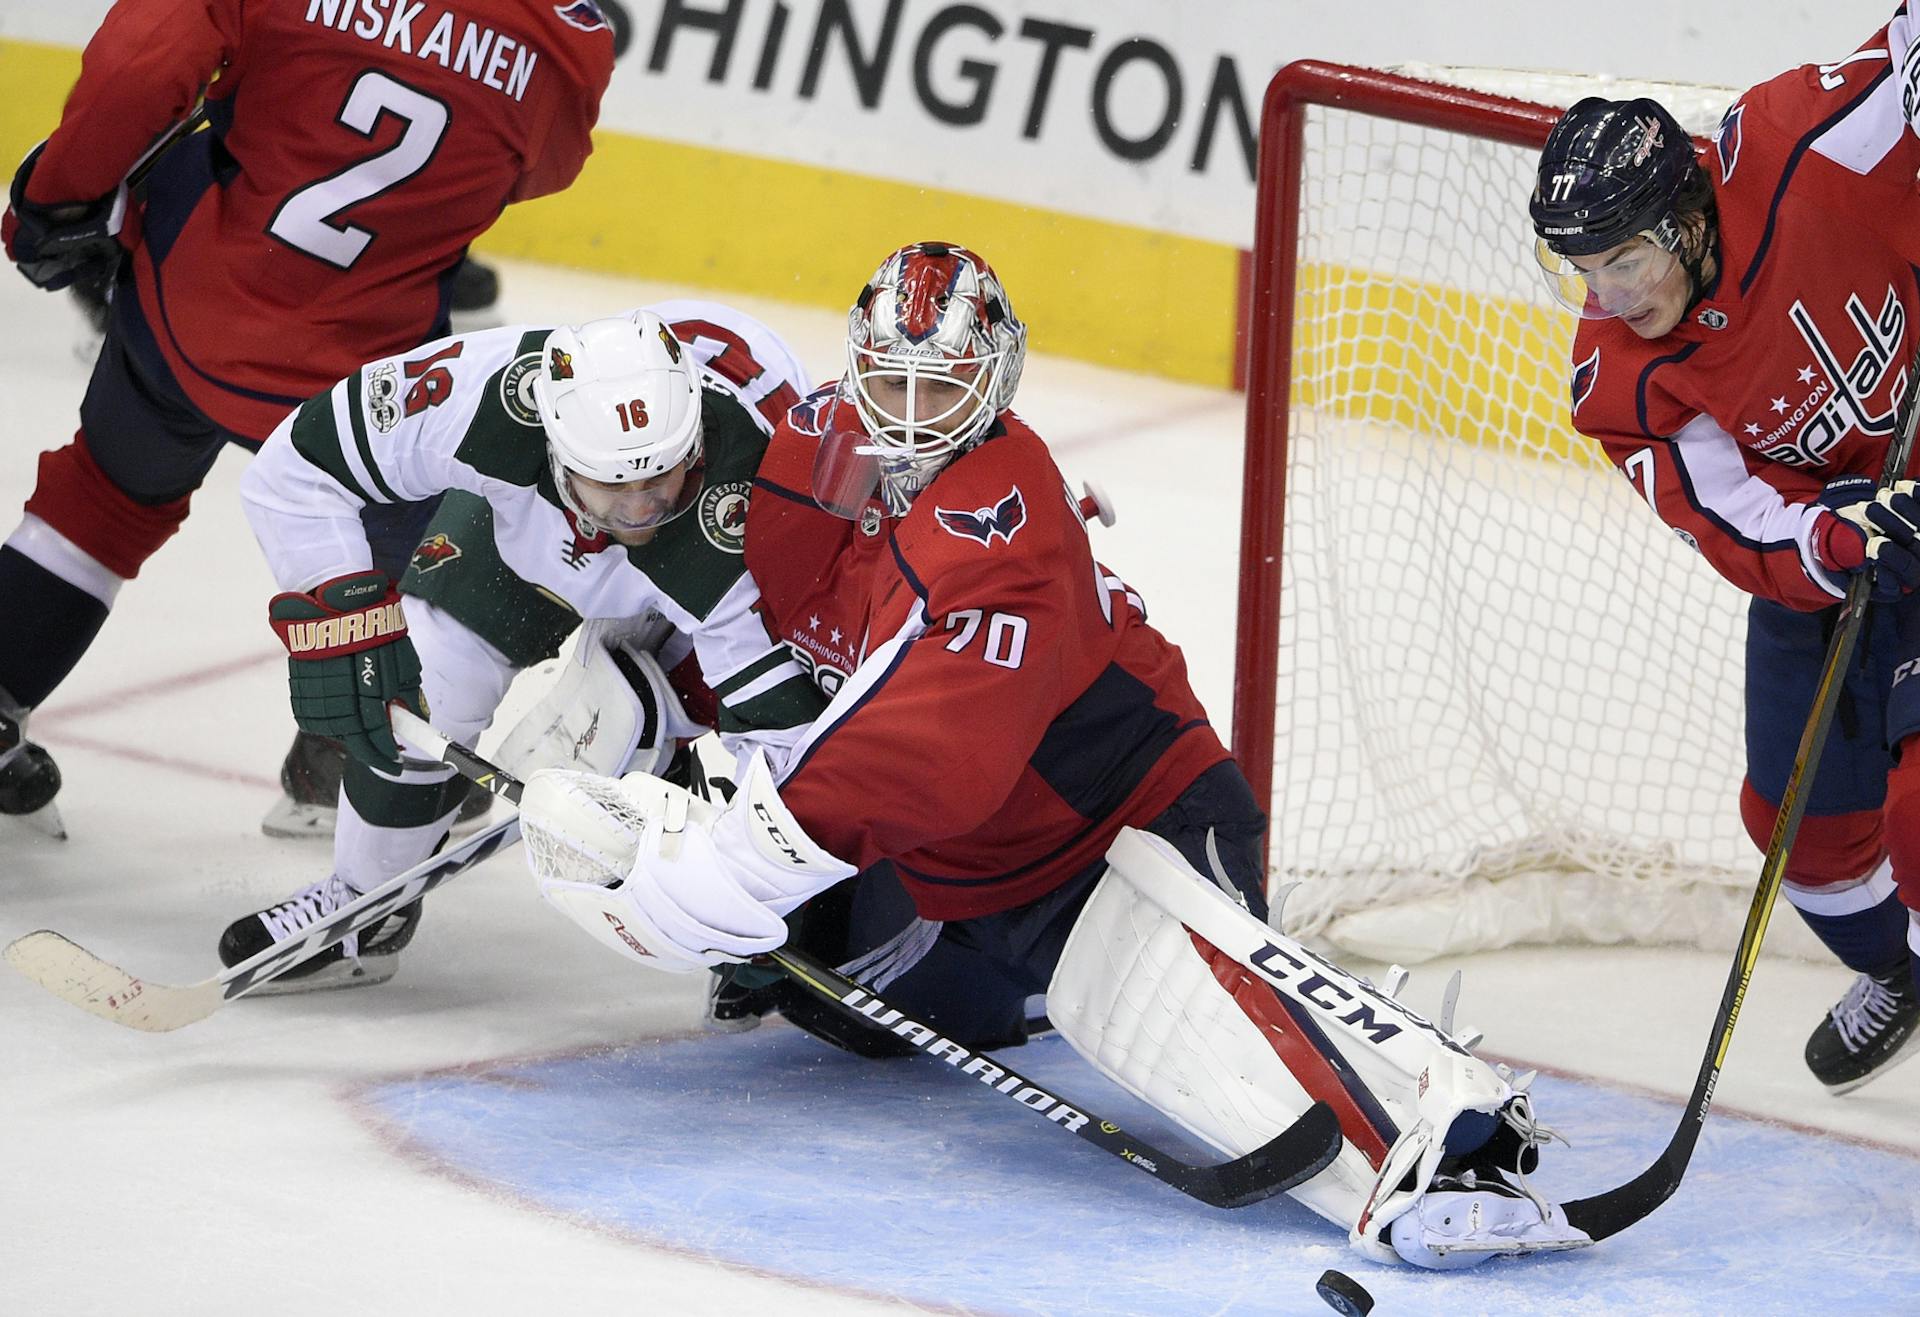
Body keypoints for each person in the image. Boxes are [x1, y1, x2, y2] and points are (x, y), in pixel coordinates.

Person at [508, 241, 1593, 1271]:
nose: (914, 418)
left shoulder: (1003, 522)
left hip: (1131, 814)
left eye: (943, 390)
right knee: (843, 1012)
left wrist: (748, 854)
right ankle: (1034, 982)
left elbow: (931, 751)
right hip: (962, 877)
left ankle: (1444, 1128)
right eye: (891, 383)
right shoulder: (805, 466)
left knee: (1177, 1013)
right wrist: (664, 710)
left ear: (997, 379)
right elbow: (782, 629)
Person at [1526, 0, 1920, 1238]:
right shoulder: (1623, 379)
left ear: (1685, 216)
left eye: (1625, 256)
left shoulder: (1790, 147)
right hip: (1840, 570)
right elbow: (1738, 527)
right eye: (1582, 268)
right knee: (1804, 831)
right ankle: (1911, 970)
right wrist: (1833, 542)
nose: (1608, 291)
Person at [0, 0, 616, 835]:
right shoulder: (564, 39)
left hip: (190, 315)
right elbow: (545, 167)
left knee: (104, 500)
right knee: (431, 560)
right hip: (367, 383)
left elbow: (139, 68)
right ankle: (345, 768)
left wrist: (56, 200)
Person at [220, 301, 825, 991]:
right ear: (554, 444)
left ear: (694, 448)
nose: (636, 509)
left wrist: (749, 893)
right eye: (613, 483)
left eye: (656, 479)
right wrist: (341, 620)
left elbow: (793, 752)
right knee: (431, 684)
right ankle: (364, 904)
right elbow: (295, 466)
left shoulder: (746, 521)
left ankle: (668, 744)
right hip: (533, 524)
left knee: (644, 712)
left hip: (698, 565)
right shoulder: (489, 398)